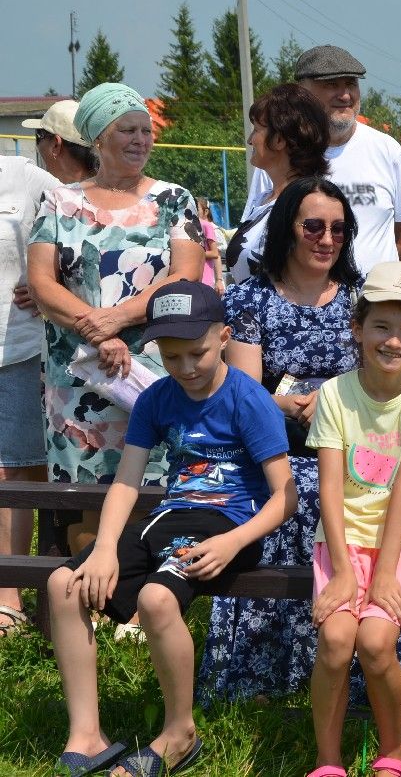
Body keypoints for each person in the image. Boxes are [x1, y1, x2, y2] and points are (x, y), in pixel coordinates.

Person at [46, 279, 295, 777]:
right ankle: (87, 735)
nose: (184, 368)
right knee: (62, 584)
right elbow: (126, 484)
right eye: (172, 356)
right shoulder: (158, 397)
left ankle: (180, 733)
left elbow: (284, 496)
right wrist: (105, 549)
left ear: (224, 337)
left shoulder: (250, 400)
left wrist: (235, 540)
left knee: (156, 599)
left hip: (230, 526)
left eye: (196, 354)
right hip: (171, 517)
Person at [199, 178, 390, 702]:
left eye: (338, 228)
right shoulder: (249, 298)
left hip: (354, 451)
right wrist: (287, 406)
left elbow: (383, 380)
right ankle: (263, 674)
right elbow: (244, 389)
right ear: (287, 227)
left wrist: (333, 400)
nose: (326, 238)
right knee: (294, 493)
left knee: (342, 495)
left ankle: (351, 673)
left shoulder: (361, 299)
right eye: (313, 226)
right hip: (273, 450)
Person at [27, 82, 205, 560]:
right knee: (87, 495)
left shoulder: (173, 199)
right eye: (127, 129)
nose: (140, 139)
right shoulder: (58, 201)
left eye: (146, 131)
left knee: (154, 486)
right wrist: (94, 326)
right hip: (78, 373)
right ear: (97, 140)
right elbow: (42, 284)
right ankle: (99, 608)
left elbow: (186, 275)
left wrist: (117, 319)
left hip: (154, 369)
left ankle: (140, 606)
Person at [305, 262, 401, 777]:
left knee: (374, 641)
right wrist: (344, 570)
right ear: (358, 327)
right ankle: (328, 760)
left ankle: (393, 752)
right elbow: (328, 486)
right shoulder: (335, 394)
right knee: (336, 641)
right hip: (342, 540)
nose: (394, 341)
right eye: (382, 327)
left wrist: (385, 574)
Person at [243, 45, 401, 273]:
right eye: (331, 85)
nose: (345, 95)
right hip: (304, 303)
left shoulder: (388, 150)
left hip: (371, 304)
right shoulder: (280, 156)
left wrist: (370, 284)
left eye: (351, 84)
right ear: (302, 91)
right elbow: (255, 234)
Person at [0, 155, 60, 634]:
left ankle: (13, 594)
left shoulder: (25, 176)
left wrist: (46, 286)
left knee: (17, 467)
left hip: (16, 349)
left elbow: (72, 228)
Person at [227, 83, 331, 282]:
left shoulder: (310, 205)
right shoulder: (262, 199)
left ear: (279, 140)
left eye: (257, 130)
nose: (250, 140)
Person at [23, 99, 96, 184]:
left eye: (39, 135)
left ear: (56, 145)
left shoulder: (54, 196)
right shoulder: (111, 190)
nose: (37, 146)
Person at [195, 197, 226, 294]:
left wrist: (219, 280)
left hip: (210, 278)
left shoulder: (212, 228)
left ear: (206, 211)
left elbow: (216, 255)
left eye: (197, 208)